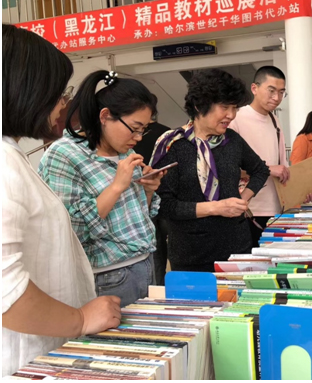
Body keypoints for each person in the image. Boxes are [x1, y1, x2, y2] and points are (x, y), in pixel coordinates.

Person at [2, 24, 120, 376]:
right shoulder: (4, 165)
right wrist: (80, 319)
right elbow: (6, 291)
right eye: (60, 92)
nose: (64, 103)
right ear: (26, 90)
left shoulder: (12, 157)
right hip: (21, 359)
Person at [39, 70, 164, 308]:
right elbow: (72, 230)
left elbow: (135, 217)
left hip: (145, 264)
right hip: (108, 276)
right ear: (105, 116)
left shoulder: (124, 151)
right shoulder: (64, 155)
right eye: (135, 127)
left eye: (144, 129)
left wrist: (148, 191)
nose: (138, 137)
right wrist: (117, 186)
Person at [152, 69, 270, 272]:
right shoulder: (173, 146)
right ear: (200, 105)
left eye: (234, 108)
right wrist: (216, 208)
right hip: (192, 254)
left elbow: (260, 170)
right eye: (224, 107)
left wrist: (243, 199)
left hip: (237, 249)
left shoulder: (232, 140)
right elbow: (164, 206)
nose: (231, 115)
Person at [229, 66, 312, 247]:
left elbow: (283, 167)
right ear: (254, 88)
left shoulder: (275, 120)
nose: (277, 98)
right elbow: (227, 168)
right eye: (271, 91)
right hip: (249, 209)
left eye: (282, 92)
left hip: (277, 209)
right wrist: (267, 169)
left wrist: (300, 191)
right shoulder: (235, 119)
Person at [134, 116, 171, 285]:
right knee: (156, 249)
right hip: (157, 197)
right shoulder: (165, 132)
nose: (138, 137)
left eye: (141, 130)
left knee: (155, 251)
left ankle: (157, 285)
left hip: (153, 198)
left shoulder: (165, 133)